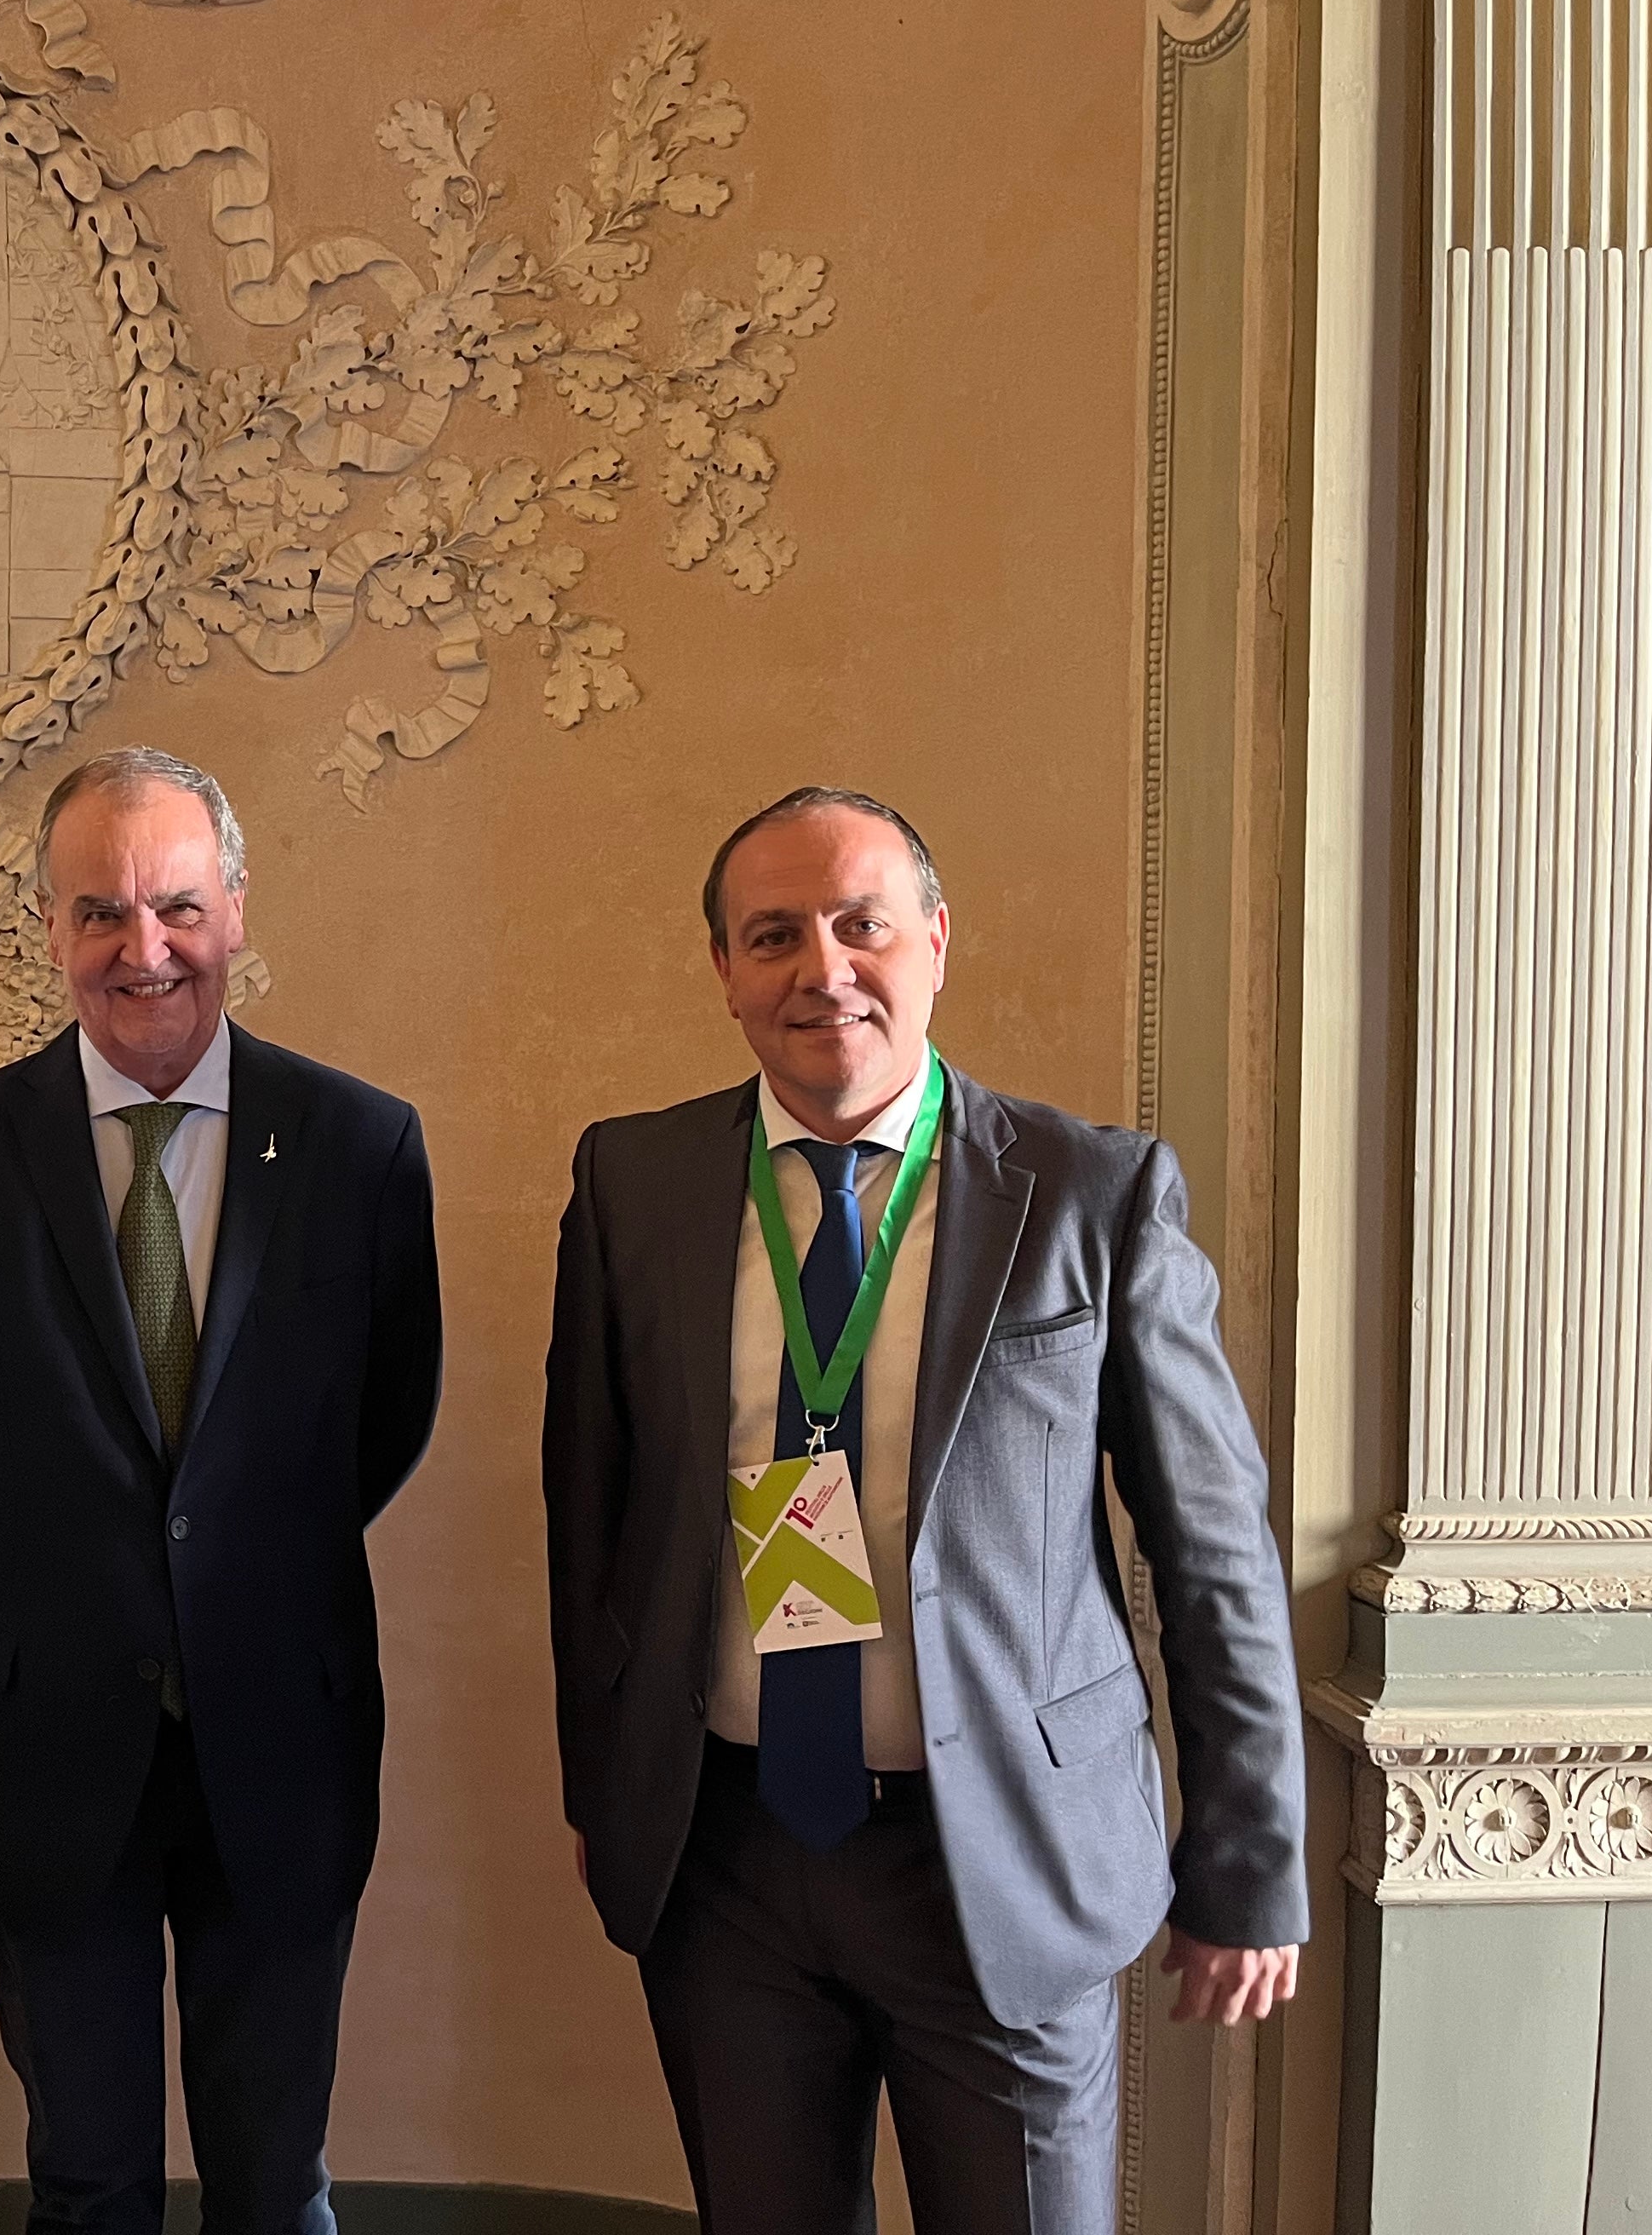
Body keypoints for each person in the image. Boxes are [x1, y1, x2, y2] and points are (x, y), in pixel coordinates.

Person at [542, 784, 1306, 2235]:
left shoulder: (1093, 1194)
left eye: (860, 925)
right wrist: (604, 1779)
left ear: (936, 944)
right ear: (724, 972)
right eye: (773, 936)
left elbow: (1213, 1550)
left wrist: (1250, 1858)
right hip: (732, 1860)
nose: (821, 968)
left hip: (1001, 1857)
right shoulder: (635, 1181)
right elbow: (588, 1509)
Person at [0, 746, 442, 2235]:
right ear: (48, 927)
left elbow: (387, 1415)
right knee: (87, 2179)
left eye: (178, 906)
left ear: (238, 911)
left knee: (274, 2179)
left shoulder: (364, 1147)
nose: (145, 949)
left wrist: (216, 1564)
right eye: (100, 912)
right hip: (42, 1738)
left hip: (282, 1735)